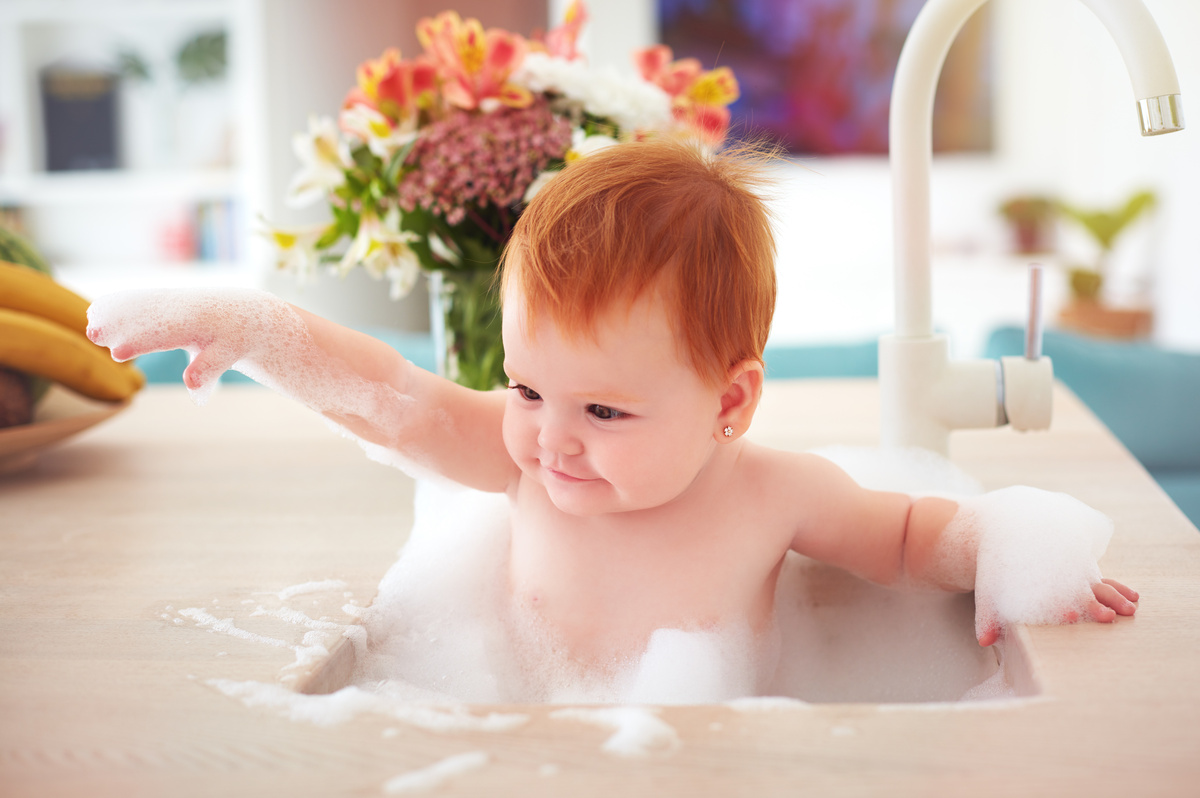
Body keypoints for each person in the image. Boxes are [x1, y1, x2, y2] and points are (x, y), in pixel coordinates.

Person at [87, 136, 1137, 678]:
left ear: (731, 401)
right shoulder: (519, 464)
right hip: (511, 733)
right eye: (529, 387)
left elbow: (907, 536)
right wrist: (257, 326)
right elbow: (392, 396)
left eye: (606, 413)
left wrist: (1008, 546)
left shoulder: (776, 493)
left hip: (702, 751)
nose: (552, 437)